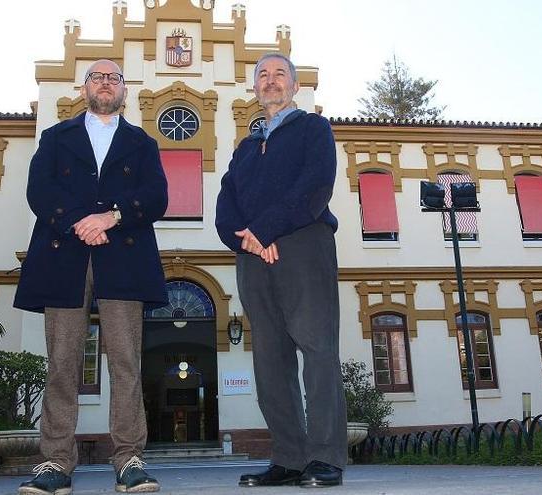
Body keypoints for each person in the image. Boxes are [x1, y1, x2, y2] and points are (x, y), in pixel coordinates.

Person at [14, 59, 168, 495]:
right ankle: (55, 464)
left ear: (124, 91)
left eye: (114, 77)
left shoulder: (142, 143)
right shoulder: (56, 136)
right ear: (84, 89)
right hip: (65, 255)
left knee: (125, 362)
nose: (106, 83)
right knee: (62, 364)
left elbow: (156, 197)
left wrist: (112, 217)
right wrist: (83, 221)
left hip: (124, 258)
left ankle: (129, 460)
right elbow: (39, 191)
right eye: (97, 77)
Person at [215, 52, 346, 488]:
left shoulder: (314, 129)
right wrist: (245, 239)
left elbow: (315, 184)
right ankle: (288, 459)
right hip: (253, 255)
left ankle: (325, 458)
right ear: (254, 87)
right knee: (270, 359)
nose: (271, 81)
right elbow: (226, 201)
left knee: (317, 350)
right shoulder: (246, 148)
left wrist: (266, 230)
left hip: (304, 245)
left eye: (280, 74)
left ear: (293, 85)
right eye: (263, 75)